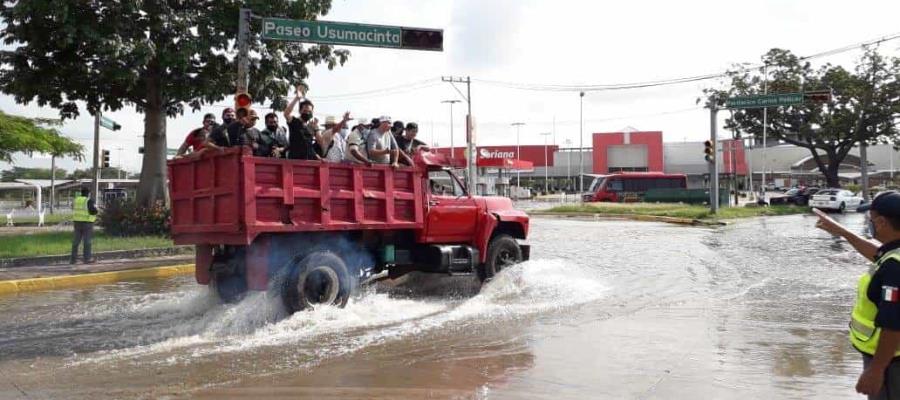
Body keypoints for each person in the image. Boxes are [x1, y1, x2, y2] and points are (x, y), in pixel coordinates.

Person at [815, 191, 900, 398]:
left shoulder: (894, 268)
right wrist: (842, 232)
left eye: (870, 219)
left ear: (881, 222)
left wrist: (876, 370)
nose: (868, 224)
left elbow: (894, 323)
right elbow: (877, 253)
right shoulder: (893, 253)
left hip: (891, 363)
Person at [283, 84, 320, 160]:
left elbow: (309, 147)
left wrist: (319, 158)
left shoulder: (309, 127)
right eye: (305, 111)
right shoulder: (294, 121)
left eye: (309, 112)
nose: (307, 113)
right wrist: (297, 98)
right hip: (294, 161)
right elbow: (286, 113)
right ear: (300, 111)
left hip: (307, 162)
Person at [70, 187, 98, 264]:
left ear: (81, 192)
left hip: (77, 223)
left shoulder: (76, 200)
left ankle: (73, 259)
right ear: (88, 193)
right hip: (87, 223)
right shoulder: (88, 201)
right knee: (87, 241)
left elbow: (72, 208)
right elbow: (93, 211)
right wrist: (96, 210)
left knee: (76, 241)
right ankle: (87, 259)